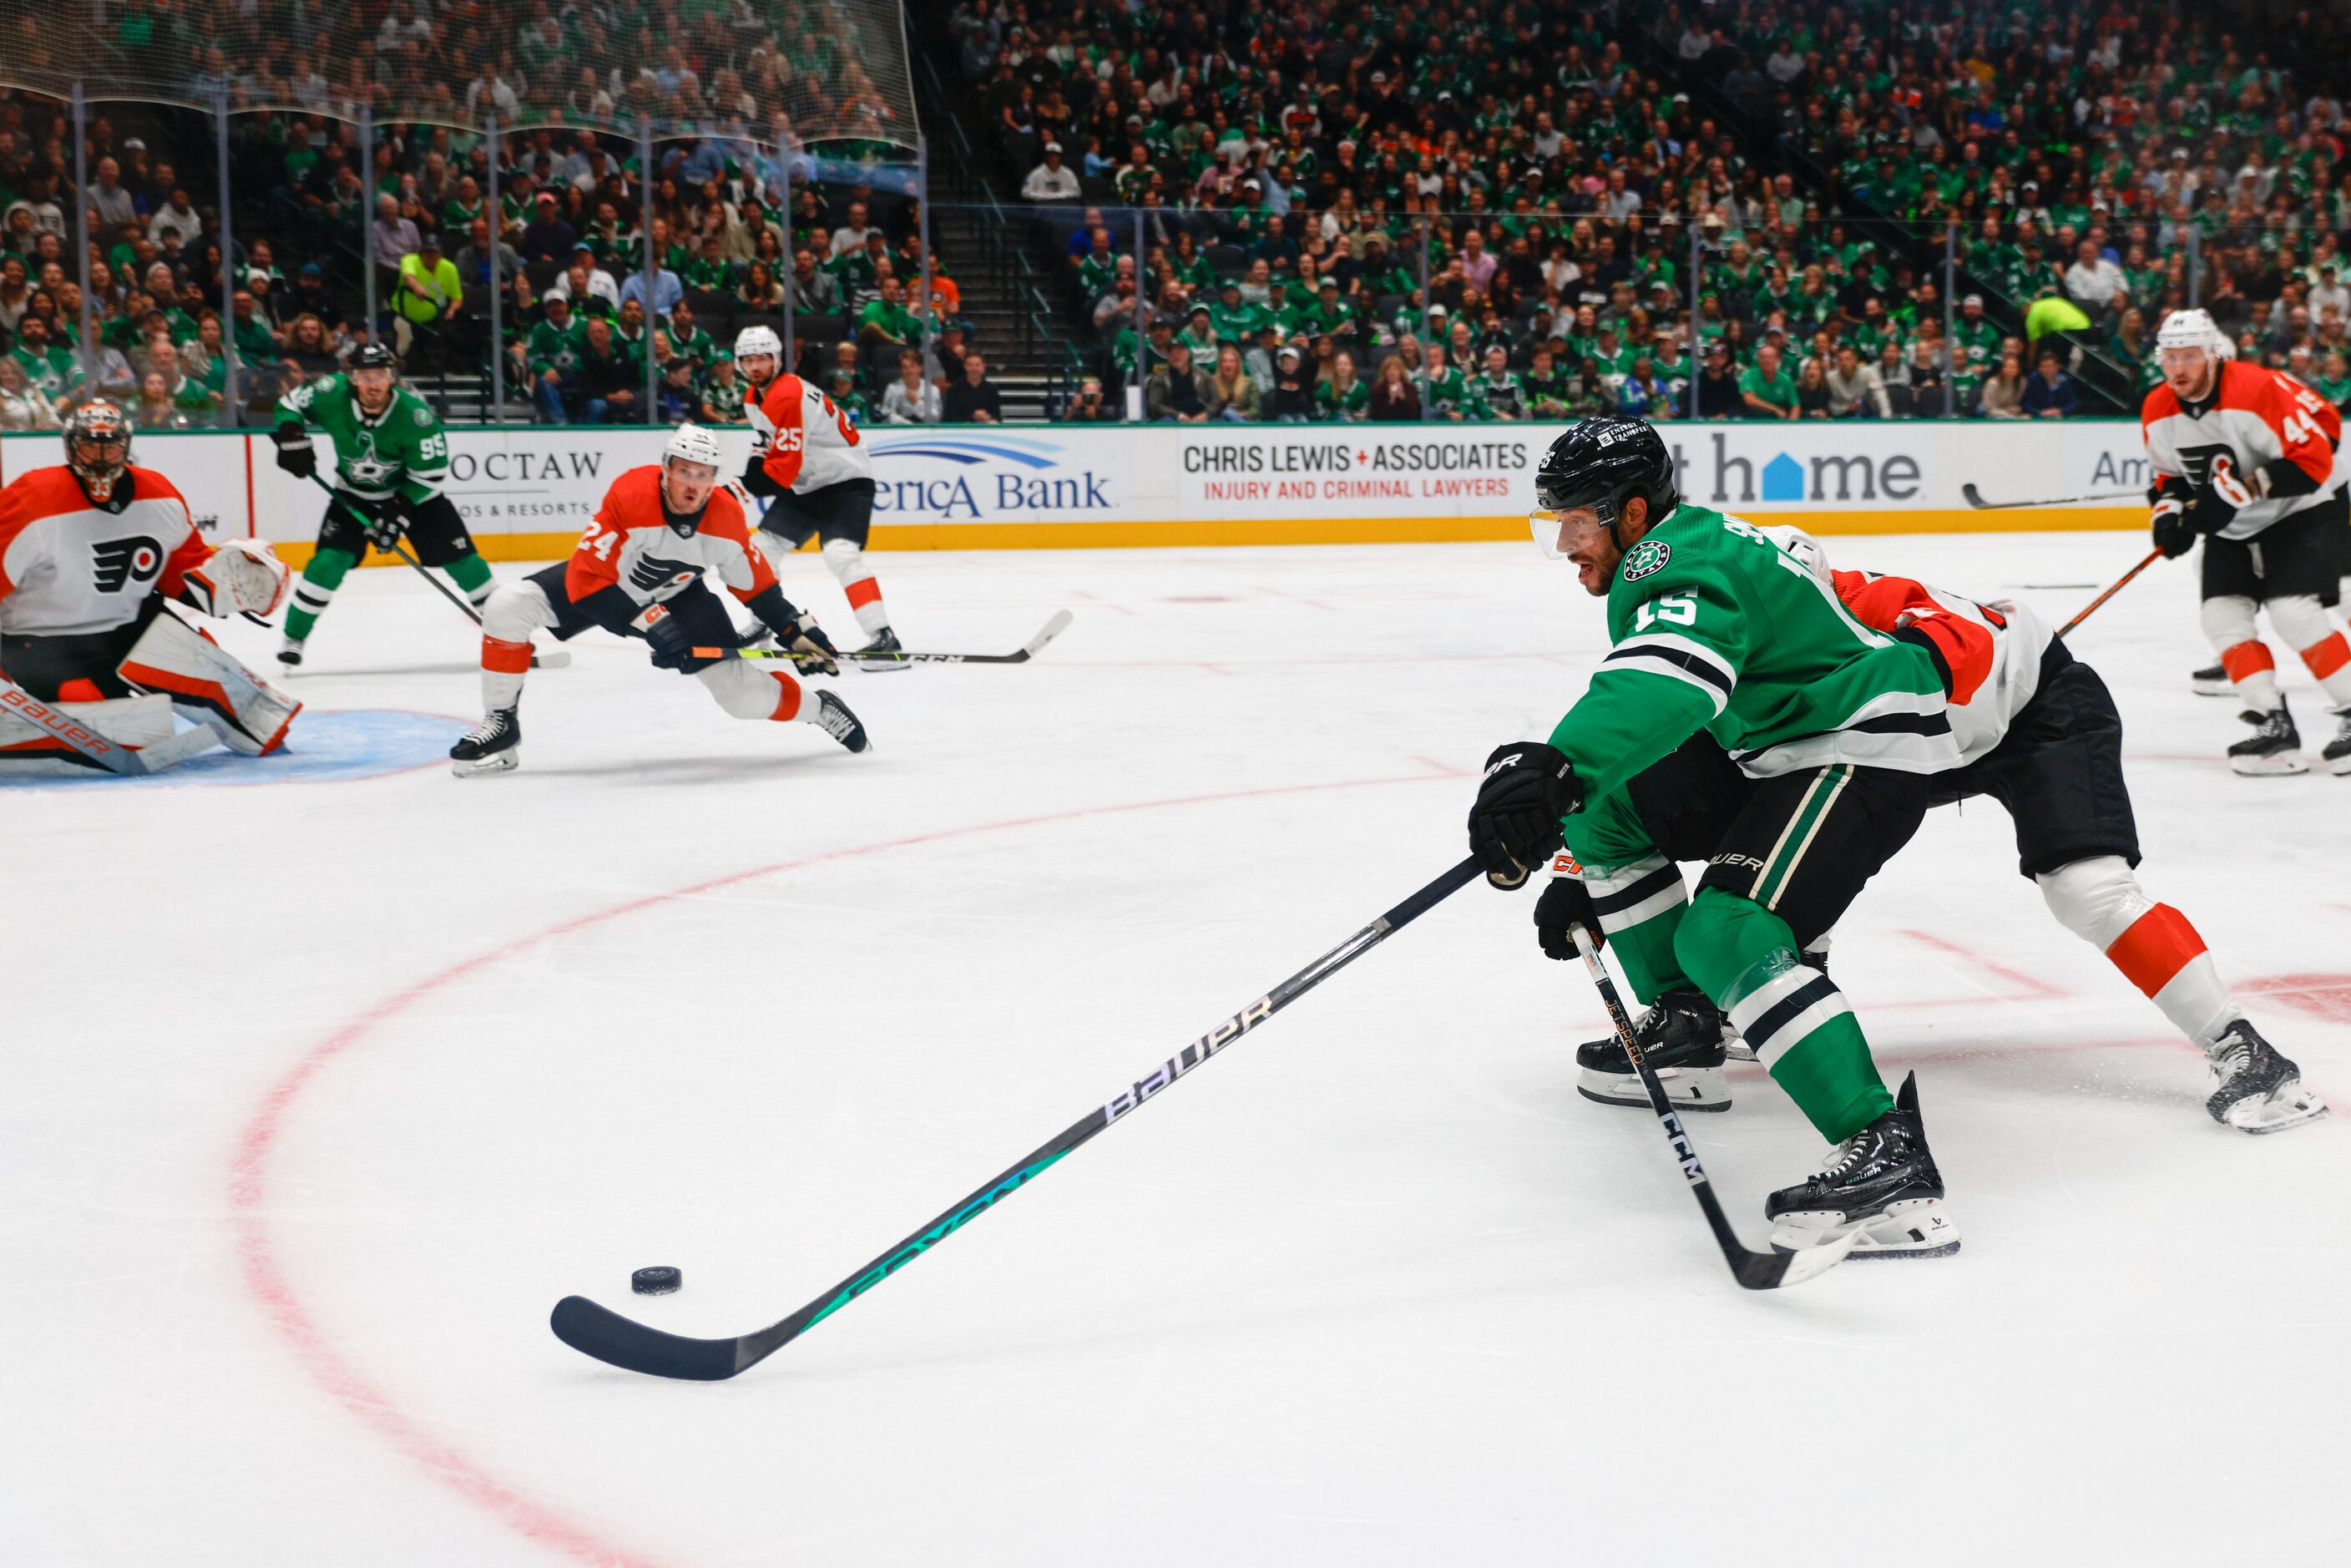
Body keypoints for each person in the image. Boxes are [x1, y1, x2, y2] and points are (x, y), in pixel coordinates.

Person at [1561, 529, 2323, 1136]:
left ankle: (2242, 1046)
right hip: (1895, 736)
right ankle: (1706, 1020)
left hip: (2033, 714)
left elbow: (1931, 686)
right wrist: (1579, 868)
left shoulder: (1860, 618)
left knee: (2088, 892)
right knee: (1782, 863)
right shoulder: (1769, 635)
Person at [1467, 417, 1964, 1257]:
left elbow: (1668, 681)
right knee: (1597, 811)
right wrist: (1578, 845)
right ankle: (1688, 1029)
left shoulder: (1674, 560)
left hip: (1856, 740)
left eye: (1576, 522)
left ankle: (1887, 1155)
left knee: (1724, 929)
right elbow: (1676, 711)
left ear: (1630, 513)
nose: (1562, 543)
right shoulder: (1674, 546)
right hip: (1776, 744)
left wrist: (1557, 761)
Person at [451, 424, 867, 776]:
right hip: (609, 587)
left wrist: (796, 630)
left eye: (703, 475)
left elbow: (756, 587)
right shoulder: (630, 495)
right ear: (666, 469)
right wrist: (651, 624)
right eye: (684, 471)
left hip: (683, 599)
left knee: (741, 698)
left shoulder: (724, 518)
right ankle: (501, 722)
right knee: (506, 606)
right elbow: (584, 582)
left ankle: (819, 709)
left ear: (714, 479)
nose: (692, 484)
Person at [0, 401, 297, 767]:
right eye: (90, 445)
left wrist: (235, 585)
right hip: (40, 642)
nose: (101, 456)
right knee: (121, 740)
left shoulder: (158, 494)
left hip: (129, 629)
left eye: (110, 446)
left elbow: (181, 576)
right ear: (70, 446)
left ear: (126, 446)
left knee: (262, 725)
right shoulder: (32, 498)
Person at [2143, 307, 2351, 773]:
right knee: (2221, 618)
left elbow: (2314, 458)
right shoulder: (2157, 407)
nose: (2178, 367)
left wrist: (2239, 490)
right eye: (2169, 357)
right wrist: (2168, 515)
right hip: (2233, 529)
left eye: (2190, 356)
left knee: (2293, 612)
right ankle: (2273, 724)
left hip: (2297, 513)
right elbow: (2168, 476)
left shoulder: (2255, 389)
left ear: (2213, 355)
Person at [270, 343, 488, 666]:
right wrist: (291, 433)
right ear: (353, 378)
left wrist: (397, 512)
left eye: (380, 375)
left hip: (417, 500)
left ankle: (510, 634)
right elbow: (288, 404)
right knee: (326, 564)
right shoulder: (331, 392)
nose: (373, 384)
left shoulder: (417, 417)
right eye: (364, 375)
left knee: (466, 564)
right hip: (354, 495)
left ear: (392, 378)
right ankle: (294, 638)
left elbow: (430, 474)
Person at [731, 325, 897, 662]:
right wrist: (743, 481)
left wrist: (733, 491)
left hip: (846, 482)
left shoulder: (788, 394)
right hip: (807, 485)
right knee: (762, 548)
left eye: (763, 359)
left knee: (840, 554)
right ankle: (762, 622)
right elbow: (767, 446)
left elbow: (781, 471)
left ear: (777, 361)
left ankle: (883, 635)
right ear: (739, 364)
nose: (756, 367)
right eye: (748, 360)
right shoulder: (754, 397)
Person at [880, 348, 942, 423]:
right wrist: (908, 425)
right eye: (905, 367)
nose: (909, 371)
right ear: (901, 370)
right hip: (901, 429)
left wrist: (916, 402)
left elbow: (935, 419)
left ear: (920, 368)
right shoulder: (893, 388)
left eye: (912, 366)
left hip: (925, 430)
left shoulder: (932, 390)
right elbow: (887, 416)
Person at [941, 351, 1004, 424]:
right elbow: (949, 417)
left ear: (984, 367)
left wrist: (987, 417)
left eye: (977, 365)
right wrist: (972, 417)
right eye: (970, 365)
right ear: (964, 366)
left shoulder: (992, 389)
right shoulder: (954, 390)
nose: (974, 369)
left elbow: (997, 417)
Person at [1740, 343, 1798, 419]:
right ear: (1758, 360)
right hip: (1752, 421)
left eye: (1770, 357)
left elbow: (1795, 405)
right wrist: (1775, 409)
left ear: (1777, 359)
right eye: (1763, 357)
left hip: (1778, 422)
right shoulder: (1748, 375)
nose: (1767, 360)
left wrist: (1792, 425)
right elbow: (1750, 400)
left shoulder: (1786, 379)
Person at [2021, 347, 2079, 417]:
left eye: (2049, 367)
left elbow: (2073, 402)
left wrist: (2061, 410)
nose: (2046, 370)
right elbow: (2026, 403)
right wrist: (2040, 412)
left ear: (2057, 367)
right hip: (2037, 417)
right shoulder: (2032, 380)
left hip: (2059, 417)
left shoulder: (2065, 381)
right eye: (2043, 366)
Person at [1366, 352, 1419, 420]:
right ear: (1385, 373)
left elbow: (1414, 414)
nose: (1392, 373)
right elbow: (1377, 416)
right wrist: (1391, 400)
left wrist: (1403, 397)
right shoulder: (1377, 390)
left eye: (1395, 370)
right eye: (1389, 370)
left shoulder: (1410, 388)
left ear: (1401, 372)